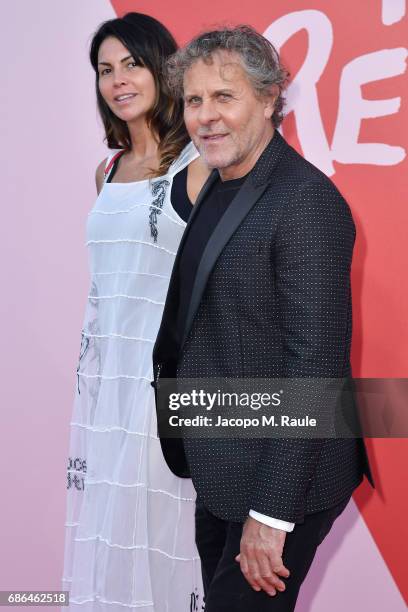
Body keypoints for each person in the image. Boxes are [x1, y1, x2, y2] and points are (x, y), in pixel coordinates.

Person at [152, 26, 374, 612]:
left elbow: (316, 369)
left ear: (271, 98)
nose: (205, 117)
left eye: (224, 97)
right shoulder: (221, 183)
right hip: (223, 461)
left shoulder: (306, 203)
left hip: (283, 481)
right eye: (194, 101)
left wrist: (271, 514)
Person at [62, 12, 209, 612]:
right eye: (104, 69)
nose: (118, 80)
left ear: (161, 69)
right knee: (116, 531)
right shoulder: (107, 170)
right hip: (109, 382)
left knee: (170, 530)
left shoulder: (198, 164)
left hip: (167, 380)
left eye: (131, 64)